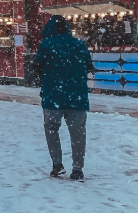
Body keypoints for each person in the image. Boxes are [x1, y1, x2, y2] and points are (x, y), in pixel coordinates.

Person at [33, 15, 95, 182]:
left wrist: (49, 75)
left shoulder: (46, 45)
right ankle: (77, 169)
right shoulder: (80, 45)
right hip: (77, 97)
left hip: (53, 96)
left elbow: (36, 66)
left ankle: (57, 164)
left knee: (52, 129)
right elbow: (89, 66)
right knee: (78, 133)